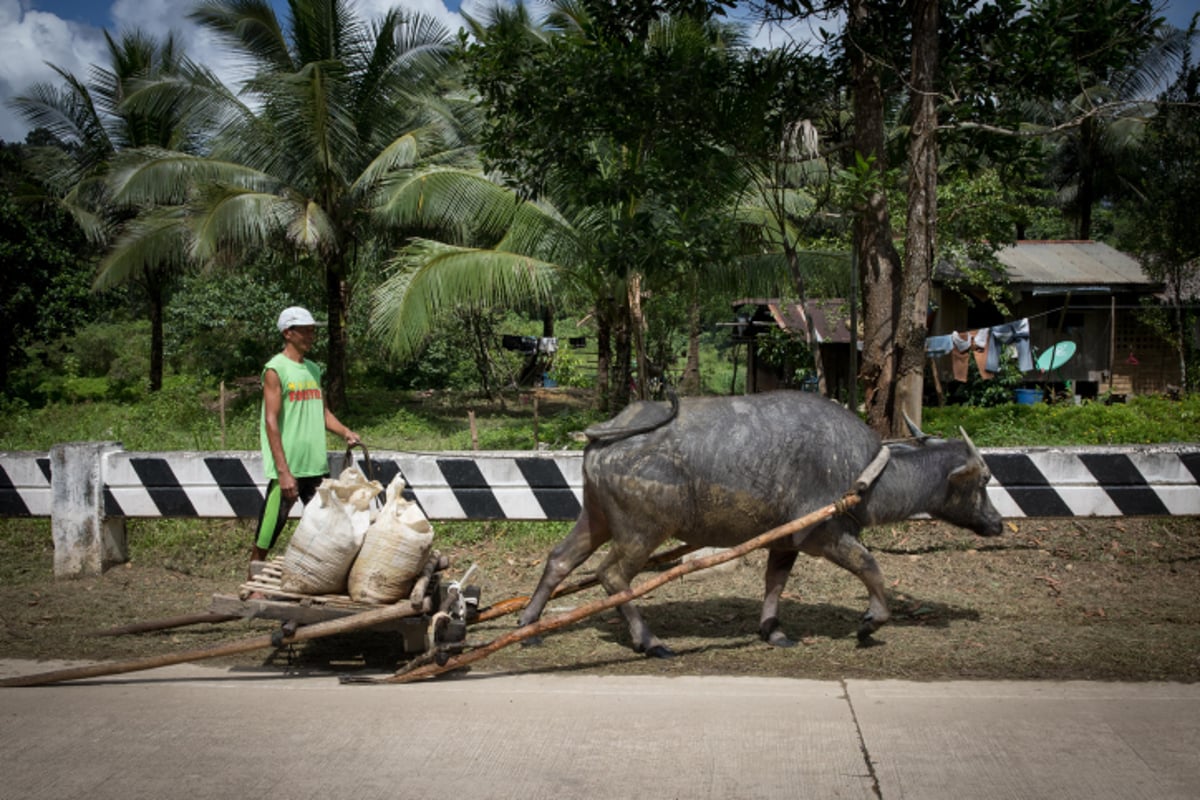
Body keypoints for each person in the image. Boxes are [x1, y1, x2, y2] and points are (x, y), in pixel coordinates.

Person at [250, 306, 360, 575]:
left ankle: (317, 575)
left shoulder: (312, 369)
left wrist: (345, 431)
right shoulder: (275, 369)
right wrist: (283, 471)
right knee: (271, 524)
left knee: (323, 524)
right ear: (288, 333)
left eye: (313, 331)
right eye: (306, 331)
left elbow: (320, 411)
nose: (311, 336)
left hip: (315, 464)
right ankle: (252, 575)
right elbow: (271, 420)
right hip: (289, 465)